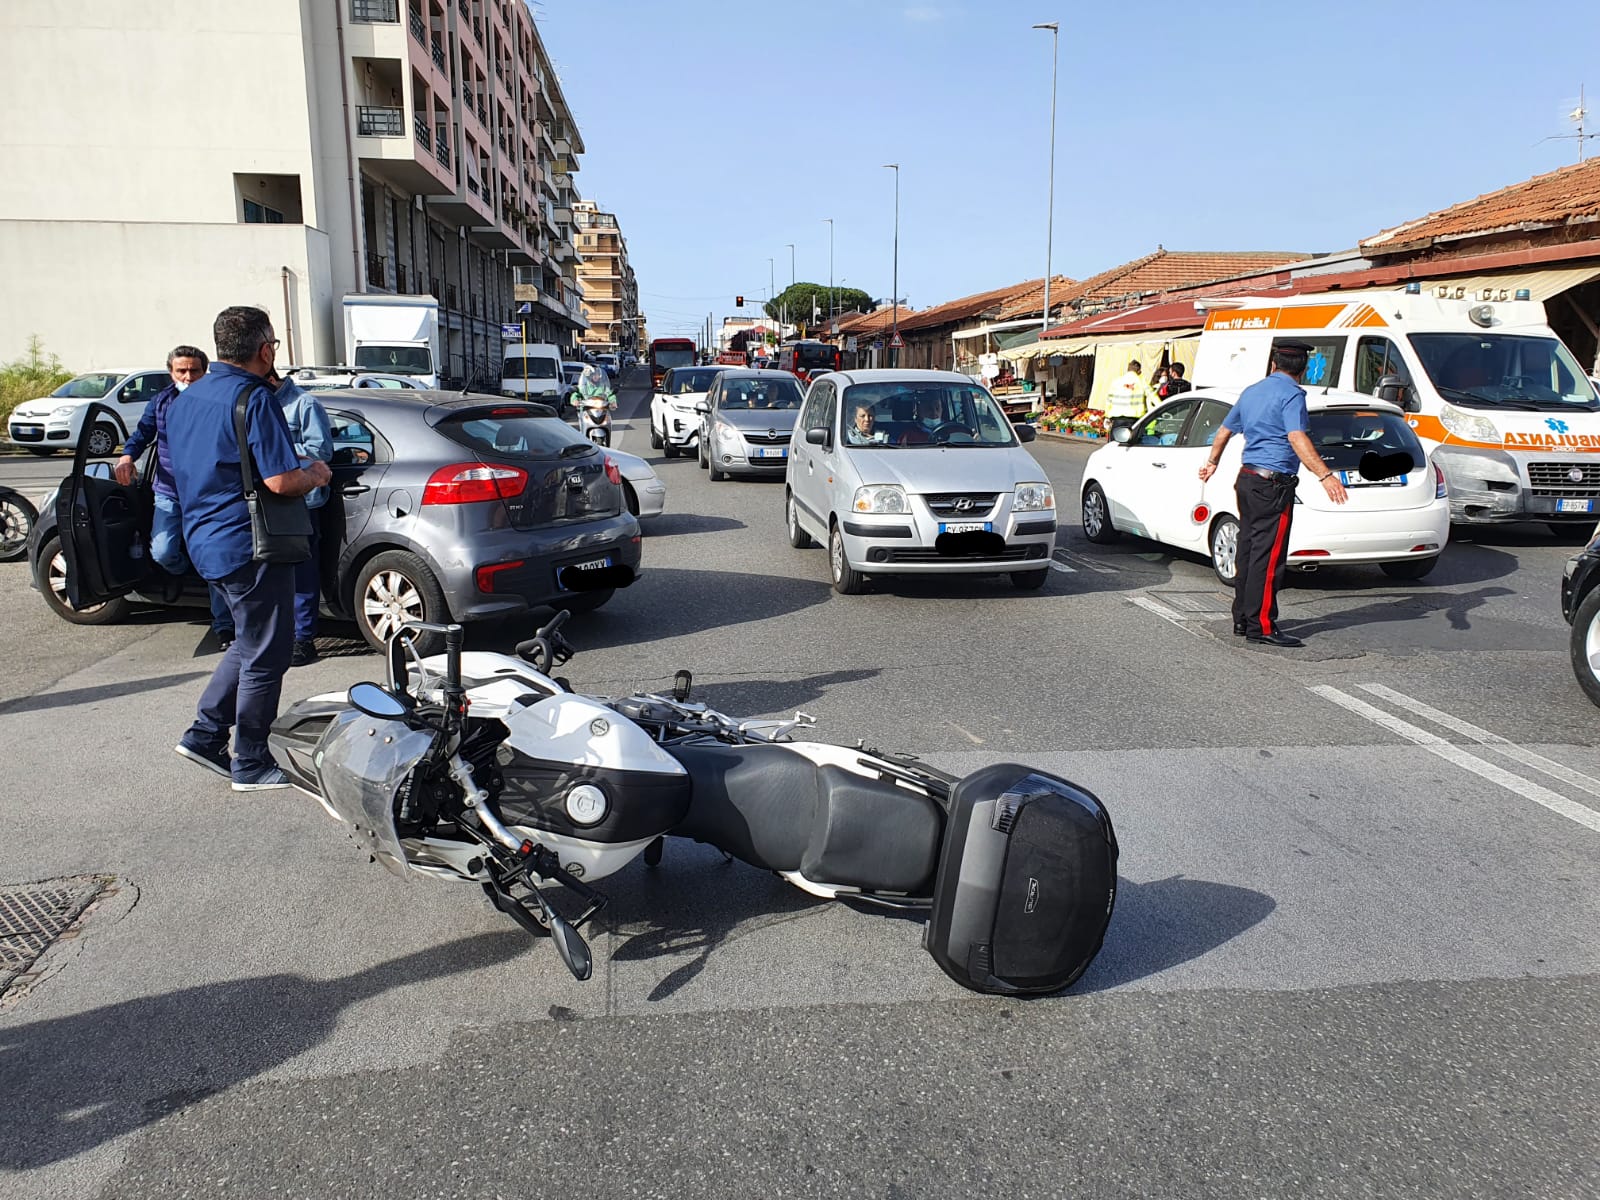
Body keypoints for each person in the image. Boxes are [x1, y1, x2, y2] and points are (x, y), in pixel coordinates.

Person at [166, 306, 332, 790]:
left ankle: (204, 734)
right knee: (268, 652)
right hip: (250, 542)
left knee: (248, 639)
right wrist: (316, 472)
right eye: (274, 346)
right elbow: (281, 480)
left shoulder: (186, 398)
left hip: (205, 536)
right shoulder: (253, 399)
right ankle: (251, 761)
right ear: (265, 350)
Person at [1198, 340, 1349, 647]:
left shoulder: (1252, 391)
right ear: (1304, 369)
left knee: (1249, 550)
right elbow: (1296, 436)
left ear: (1273, 365)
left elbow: (1225, 431)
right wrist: (1325, 475)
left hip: (1248, 479)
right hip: (1272, 485)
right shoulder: (1292, 395)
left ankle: (1242, 617)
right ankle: (1262, 626)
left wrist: (1212, 462)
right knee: (1267, 559)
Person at [114, 346, 236, 648]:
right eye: (181, 371)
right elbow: (142, 434)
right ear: (171, 372)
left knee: (213, 559)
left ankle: (225, 628)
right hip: (169, 492)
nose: (188, 377)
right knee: (164, 552)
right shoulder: (162, 402)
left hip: (209, 494)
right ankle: (188, 573)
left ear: (204, 371)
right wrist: (127, 457)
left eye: (194, 371)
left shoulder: (216, 401)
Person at [266, 368, 333, 667]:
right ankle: (279, 635)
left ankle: (303, 639)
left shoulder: (303, 404)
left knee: (303, 573)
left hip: (302, 500)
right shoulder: (255, 404)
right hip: (267, 500)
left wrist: (273, 451)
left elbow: (321, 450)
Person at [1105, 359, 1151, 440]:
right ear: (1139, 371)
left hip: (1118, 419)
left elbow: (1109, 400)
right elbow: (1153, 396)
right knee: (1132, 445)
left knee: (1114, 444)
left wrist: (1107, 416)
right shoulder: (1141, 381)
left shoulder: (1116, 381)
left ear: (1128, 369)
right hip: (1134, 419)